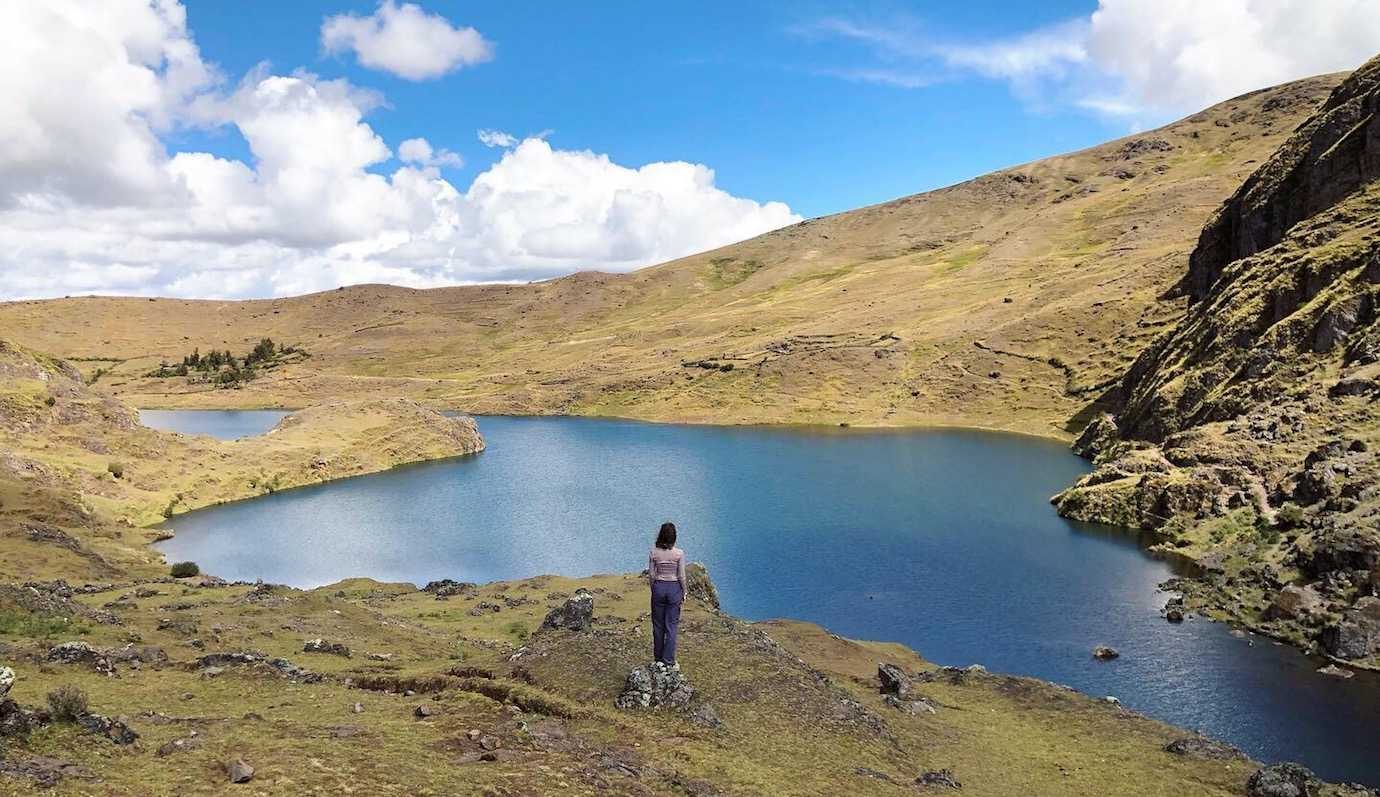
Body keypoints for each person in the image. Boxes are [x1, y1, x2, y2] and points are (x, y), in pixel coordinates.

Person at [648, 521, 686, 669]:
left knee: (658, 625)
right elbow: (681, 575)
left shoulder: (653, 552)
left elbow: (651, 574)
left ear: (661, 536)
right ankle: (668, 660)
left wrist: (654, 589)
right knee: (671, 625)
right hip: (674, 588)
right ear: (674, 537)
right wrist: (684, 590)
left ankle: (658, 658)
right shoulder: (679, 553)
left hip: (658, 587)